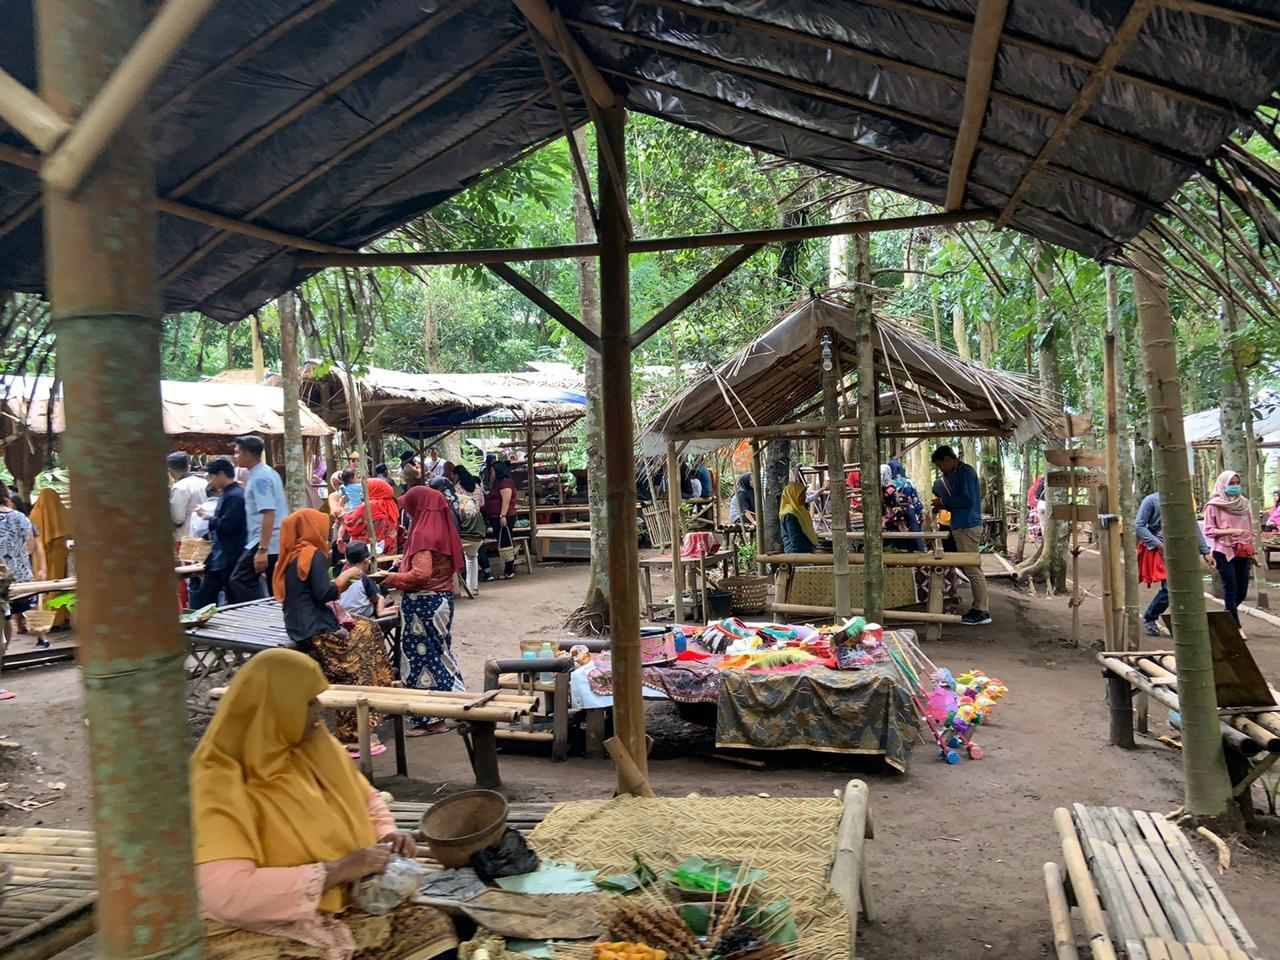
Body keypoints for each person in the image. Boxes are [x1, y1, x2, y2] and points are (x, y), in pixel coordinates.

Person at [191, 649, 457, 960]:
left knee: (433, 931)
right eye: (308, 703)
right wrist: (336, 871)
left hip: (343, 898)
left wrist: (385, 834)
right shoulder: (216, 779)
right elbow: (226, 893)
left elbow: (366, 797)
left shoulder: (316, 745)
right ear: (274, 710)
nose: (320, 709)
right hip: (260, 920)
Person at [274, 509, 392, 750]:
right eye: (321, 526)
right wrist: (346, 576)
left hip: (298, 624)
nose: (326, 532)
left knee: (366, 627)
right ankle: (357, 733)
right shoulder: (312, 554)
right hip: (316, 628)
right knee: (357, 661)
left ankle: (379, 697)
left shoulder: (292, 554)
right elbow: (324, 593)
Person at [383, 486, 463, 736]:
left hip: (423, 604)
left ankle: (430, 718)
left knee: (421, 657)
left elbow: (421, 574)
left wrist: (390, 579)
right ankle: (459, 705)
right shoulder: (442, 529)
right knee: (440, 653)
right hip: (442, 600)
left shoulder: (422, 534)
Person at [1135, 489, 1212, 636]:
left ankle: (1186, 622)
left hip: (1183, 550)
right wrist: (1158, 544)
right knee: (1170, 588)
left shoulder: (1185, 499)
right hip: (1161, 551)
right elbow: (1139, 525)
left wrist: (1205, 551)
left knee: (1186, 587)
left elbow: (1193, 525)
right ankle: (1150, 617)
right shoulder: (1151, 500)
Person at [931, 446, 990, 626]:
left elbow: (967, 500)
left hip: (967, 526)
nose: (942, 470)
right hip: (961, 525)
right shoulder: (958, 473)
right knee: (968, 568)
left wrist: (944, 502)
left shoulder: (965, 472)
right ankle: (979, 607)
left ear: (948, 459)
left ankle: (982, 611)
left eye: (941, 466)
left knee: (972, 569)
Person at [228, 434, 286, 603]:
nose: (235, 456)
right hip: (267, 539)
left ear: (248, 455)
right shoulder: (262, 473)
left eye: (237, 452)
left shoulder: (261, 477)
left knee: (240, 580)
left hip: (268, 540)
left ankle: (261, 613)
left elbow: (269, 512)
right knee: (272, 584)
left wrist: (262, 549)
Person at [1202, 470, 1257, 633]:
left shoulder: (1244, 505)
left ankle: (1226, 616)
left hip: (1243, 551)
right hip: (1223, 551)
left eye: (1237, 483)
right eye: (1231, 484)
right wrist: (1231, 531)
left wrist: (1252, 552)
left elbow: (1250, 530)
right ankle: (1235, 627)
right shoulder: (1213, 506)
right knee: (1231, 588)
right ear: (1222, 484)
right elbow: (1209, 530)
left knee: (1242, 590)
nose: (1234, 487)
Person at [193, 459, 247, 609]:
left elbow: (228, 525)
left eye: (212, 477)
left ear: (221, 474)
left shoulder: (234, 496)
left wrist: (207, 517)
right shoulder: (229, 494)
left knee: (227, 595)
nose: (211, 481)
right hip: (221, 554)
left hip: (229, 554)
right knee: (208, 594)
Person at [0, 486, 45, 650]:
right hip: (23, 572)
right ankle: (42, 639)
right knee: (31, 605)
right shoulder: (22, 517)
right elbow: (32, 546)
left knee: (5, 615)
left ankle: (4, 650)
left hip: (2, 578)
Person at [431, 476, 485, 595]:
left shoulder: (444, 501)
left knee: (448, 557)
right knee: (472, 557)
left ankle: (454, 590)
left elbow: (451, 525)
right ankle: (473, 587)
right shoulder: (467, 499)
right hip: (477, 535)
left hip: (461, 536)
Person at [29, 486, 69, 629]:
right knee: (58, 587)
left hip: (39, 556)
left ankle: (42, 624)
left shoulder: (34, 514)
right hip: (58, 556)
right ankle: (59, 619)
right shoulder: (61, 512)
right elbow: (71, 531)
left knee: (41, 589)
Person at [341, 478, 401, 557]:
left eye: (365, 489)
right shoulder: (391, 504)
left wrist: (342, 511)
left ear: (373, 489)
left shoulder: (370, 505)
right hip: (388, 551)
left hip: (368, 553)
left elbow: (351, 523)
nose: (362, 493)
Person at [338, 542, 398, 619]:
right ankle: (381, 611)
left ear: (347, 561)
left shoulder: (342, 576)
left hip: (344, 613)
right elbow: (374, 598)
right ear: (367, 560)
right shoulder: (364, 579)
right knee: (380, 597)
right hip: (363, 615)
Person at [481, 459, 518, 580]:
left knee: (506, 542)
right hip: (496, 517)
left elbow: (506, 502)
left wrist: (502, 516)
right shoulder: (497, 484)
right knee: (503, 542)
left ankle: (509, 570)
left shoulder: (505, 483)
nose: (489, 473)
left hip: (504, 517)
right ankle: (509, 567)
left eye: (491, 471)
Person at [168, 451, 208, 542]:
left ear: (170, 470)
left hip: (185, 536)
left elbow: (177, 518)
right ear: (188, 467)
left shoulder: (180, 487)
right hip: (204, 532)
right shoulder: (204, 482)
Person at [779, 481, 818, 554]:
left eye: (804, 494)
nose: (804, 497)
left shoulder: (799, 509)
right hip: (796, 554)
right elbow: (796, 540)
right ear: (792, 495)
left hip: (803, 552)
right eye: (801, 494)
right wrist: (810, 549)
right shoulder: (790, 514)